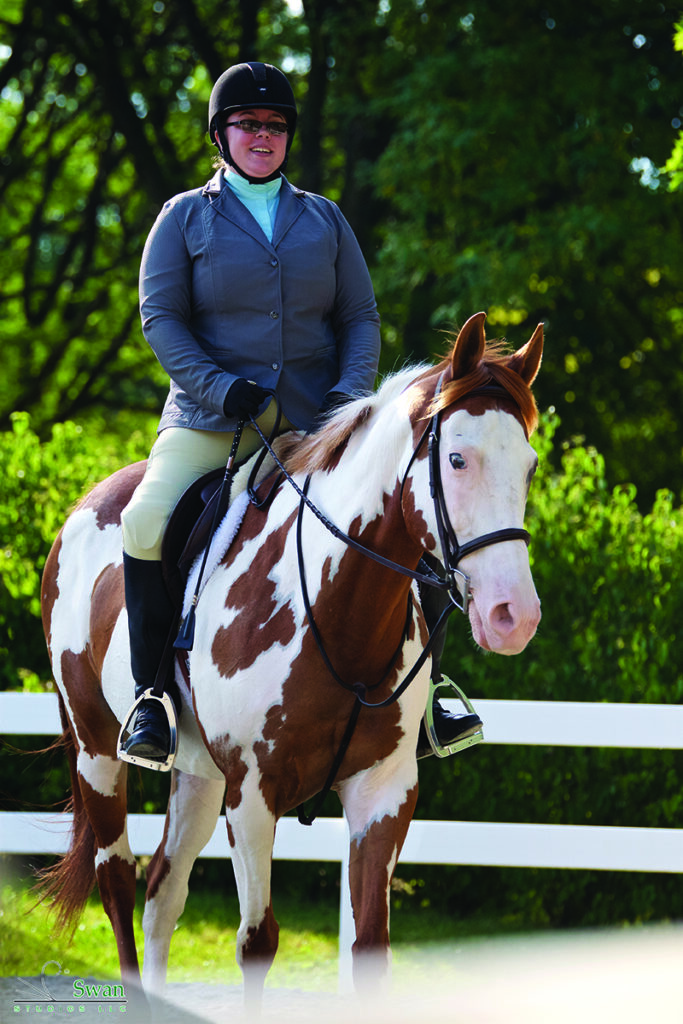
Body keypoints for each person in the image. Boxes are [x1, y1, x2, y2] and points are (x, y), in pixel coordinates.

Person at [119, 60, 480, 766]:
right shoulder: (184, 217)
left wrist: (349, 405)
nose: (263, 135)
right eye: (248, 124)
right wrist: (222, 388)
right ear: (220, 134)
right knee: (144, 518)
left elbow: (358, 317)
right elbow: (160, 317)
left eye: (275, 125)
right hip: (210, 420)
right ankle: (152, 696)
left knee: (410, 511)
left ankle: (430, 693)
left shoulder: (325, 219)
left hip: (318, 425)